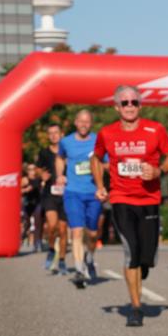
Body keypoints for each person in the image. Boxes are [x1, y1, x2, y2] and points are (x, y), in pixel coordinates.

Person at [92, 85, 168, 327]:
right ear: (116, 107)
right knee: (131, 251)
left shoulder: (155, 129)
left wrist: (159, 170)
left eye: (134, 102)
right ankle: (136, 307)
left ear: (141, 105)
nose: (130, 106)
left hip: (149, 200)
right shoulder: (107, 133)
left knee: (146, 257)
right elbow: (96, 158)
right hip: (121, 199)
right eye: (125, 102)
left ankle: (144, 263)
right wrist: (100, 185)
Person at [56, 109, 103, 289]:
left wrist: (99, 167)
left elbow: (107, 162)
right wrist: (60, 174)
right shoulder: (66, 142)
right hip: (73, 192)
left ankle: (89, 258)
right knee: (76, 231)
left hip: (93, 193)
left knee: (91, 233)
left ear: (91, 124)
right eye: (81, 121)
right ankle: (78, 269)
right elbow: (60, 158)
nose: (84, 125)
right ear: (76, 122)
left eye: (87, 122)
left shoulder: (98, 140)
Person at [37, 122, 69, 274]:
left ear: (61, 134)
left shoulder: (68, 151)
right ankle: (51, 248)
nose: (53, 135)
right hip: (50, 194)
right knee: (52, 226)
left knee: (63, 230)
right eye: (50, 133)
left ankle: (62, 260)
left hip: (66, 194)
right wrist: (40, 174)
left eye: (56, 132)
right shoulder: (44, 152)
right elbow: (37, 168)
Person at [20, 163, 42, 251]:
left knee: (38, 221)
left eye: (34, 169)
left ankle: (37, 242)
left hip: (37, 203)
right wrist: (25, 189)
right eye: (30, 169)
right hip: (27, 203)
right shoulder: (24, 180)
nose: (32, 171)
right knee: (27, 223)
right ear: (27, 171)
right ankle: (21, 238)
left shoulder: (39, 179)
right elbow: (18, 190)